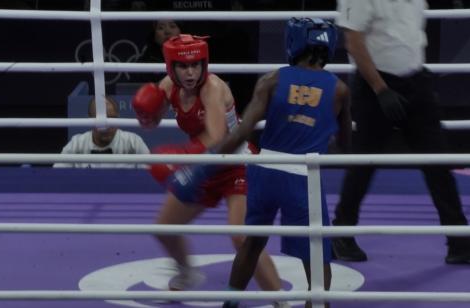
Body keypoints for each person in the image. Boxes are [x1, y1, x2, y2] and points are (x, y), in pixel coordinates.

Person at [168, 18, 351, 307]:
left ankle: (230, 302)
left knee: (252, 243)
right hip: (303, 175)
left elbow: (241, 131)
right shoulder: (339, 89)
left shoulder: (272, 80)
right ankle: (318, 304)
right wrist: (318, 133)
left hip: (263, 171)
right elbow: (345, 145)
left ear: (294, 42)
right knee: (314, 250)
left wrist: (204, 165)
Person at [331, 0, 470, 264]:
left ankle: (459, 240)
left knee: (438, 161)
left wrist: (417, 74)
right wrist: (380, 89)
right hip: (376, 85)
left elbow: (408, 33)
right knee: (364, 162)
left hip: (415, 82)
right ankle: (341, 234)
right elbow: (353, 41)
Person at [131, 34, 286, 301]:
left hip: (236, 164)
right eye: (183, 66)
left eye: (196, 65)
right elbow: (153, 121)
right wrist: (148, 115)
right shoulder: (168, 86)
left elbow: (217, 139)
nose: (191, 73)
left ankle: (279, 300)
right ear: (171, 67)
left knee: (241, 237)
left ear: (204, 63)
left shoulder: (212, 88)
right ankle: (186, 273)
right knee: (165, 228)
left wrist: (180, 156)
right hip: (204, 166)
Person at [53, 96, 150, 169]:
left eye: (111, 119)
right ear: (90, 120)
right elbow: (56, 175)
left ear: (118, 119)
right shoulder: (77, 144)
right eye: (100, 120)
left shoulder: (134, 142)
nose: (106, 127)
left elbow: (150, 178)